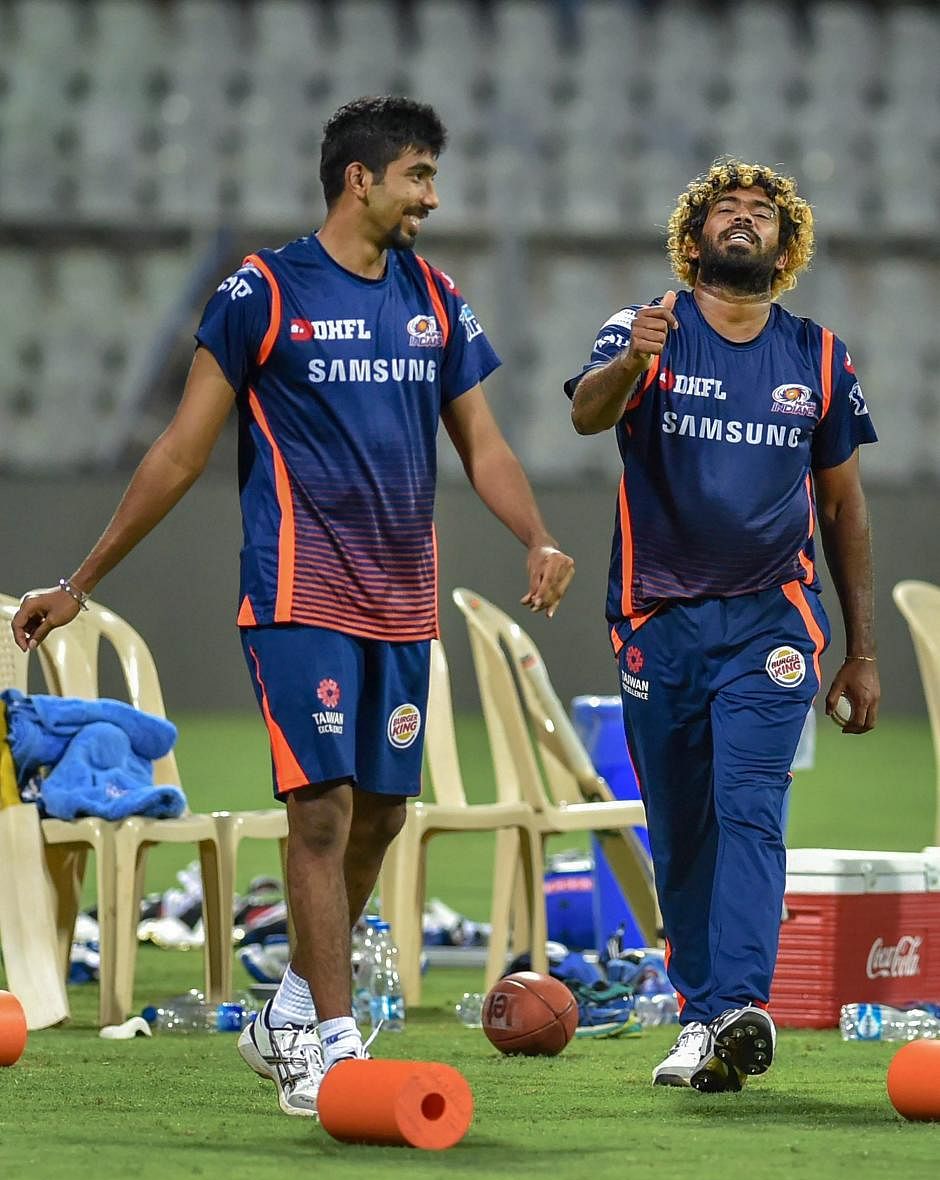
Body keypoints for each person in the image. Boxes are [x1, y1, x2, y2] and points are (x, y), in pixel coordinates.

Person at [12, 96, 574, 1116]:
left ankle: (285, 1009)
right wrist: (80, 579)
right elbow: (182, 449)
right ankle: (330, 1041)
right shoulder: (261, 291)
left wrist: (532, 533)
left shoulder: (435, 297)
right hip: (297, 593)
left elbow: (482, 443)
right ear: (359, 179)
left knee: (383, 814)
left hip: (401, 603)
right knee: (318, 812)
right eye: (417, 177)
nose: (431, 199)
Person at [565, 158, 878, 1093]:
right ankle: (703, 1020)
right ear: (693, 237)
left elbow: (845, 510)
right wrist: (631, 363)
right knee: (685, 827)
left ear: (786, 247)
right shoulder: (645, 326)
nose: (743, 220)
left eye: (762, 214)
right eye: (724, 210)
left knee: (750, 805)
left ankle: (740, 1005)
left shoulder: (817, 355)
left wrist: (861, 651)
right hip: (657, 620)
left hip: (772, 622)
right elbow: (586, 417)